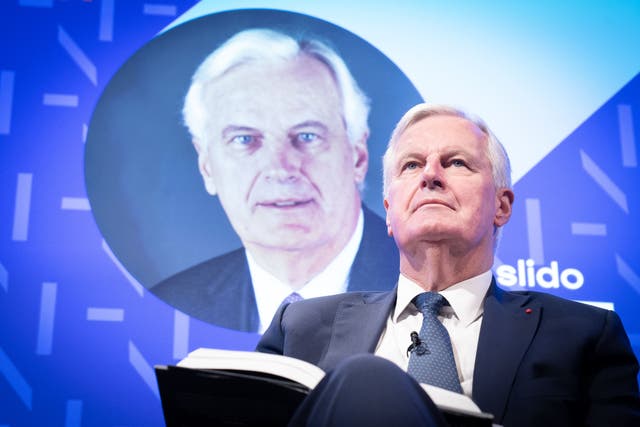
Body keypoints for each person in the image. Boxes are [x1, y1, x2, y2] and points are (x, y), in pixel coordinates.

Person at [256, 104, 640, 426]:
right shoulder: (299, 327)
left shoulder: (584, 334)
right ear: (389, 214)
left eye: (455, 162)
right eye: (411, 165)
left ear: (502, 206)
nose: (430, 175)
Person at [152, 29, 398, 333]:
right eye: (244, 139)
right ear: (206, 167)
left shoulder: (432, 285)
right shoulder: (172, 307)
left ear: (358, 157)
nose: (280, 168)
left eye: (307, 136)